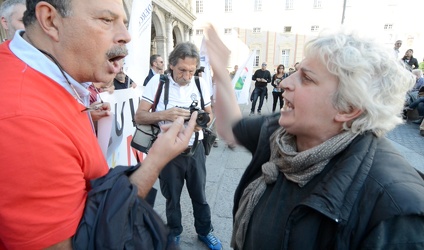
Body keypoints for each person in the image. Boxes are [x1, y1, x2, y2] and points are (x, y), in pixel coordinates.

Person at [205, 25, 424, 249]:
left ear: (347, 108)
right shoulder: (280, 133)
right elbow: (231, 128)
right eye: (295, 72)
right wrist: (220, 70)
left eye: (306, 78)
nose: (284, 83)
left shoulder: (394, 212)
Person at [0, 0, 198, 249]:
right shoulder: (23, 121)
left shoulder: (54, 75)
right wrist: (156, 161)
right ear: (50, 20)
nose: (126, 36)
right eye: (106, 20)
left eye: (124, 23)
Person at [134, 42, 222, 250]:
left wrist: (200, 123)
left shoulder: (200, 83)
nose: (187, 75)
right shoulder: (157, 82)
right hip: (167, 152)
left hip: (195, 150)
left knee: (199, 195)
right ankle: (174, 232)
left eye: (191, 71)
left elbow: (209, 114)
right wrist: (166, 114)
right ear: (171, 65)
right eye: (182, 70)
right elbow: (140, 115)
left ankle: (205, 231)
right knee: (171, 197)